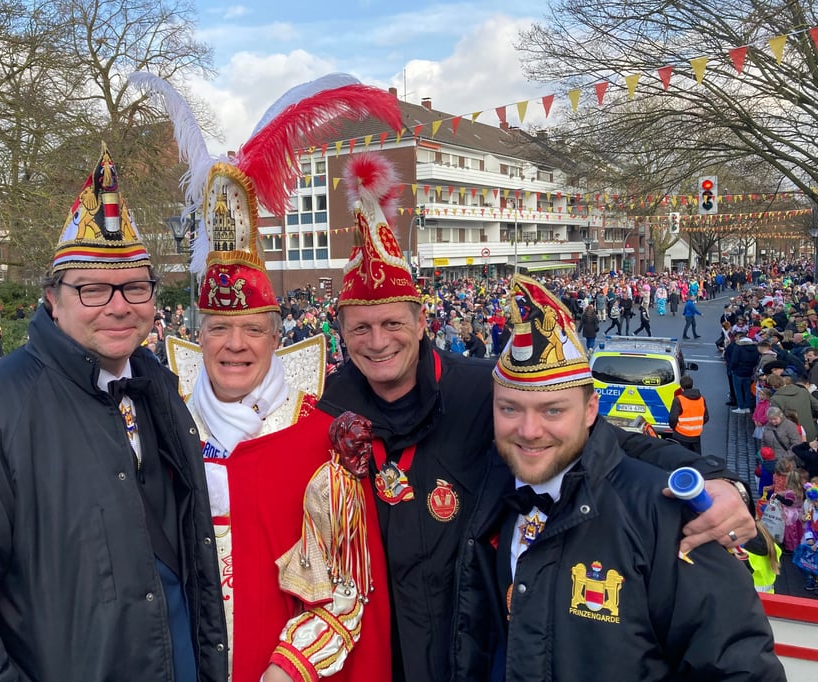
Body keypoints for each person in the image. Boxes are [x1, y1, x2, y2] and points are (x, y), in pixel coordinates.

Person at [316, 158, 755, 681]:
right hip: (371, 654)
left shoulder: (485, 388)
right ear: (339, 328)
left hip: (467, 652)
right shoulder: (322, 407)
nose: (378, 340)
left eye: (392, 321)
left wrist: (719, 480)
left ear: (421, 320)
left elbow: (606, 445)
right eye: (360, 327)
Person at [0, 143, 227, 682]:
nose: (119, 305)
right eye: (91, 288)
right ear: (52, 298)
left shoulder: (157, 390)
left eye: (136, 286)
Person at [137, 71, 401, 682]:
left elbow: (347, 587)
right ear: (193, 337)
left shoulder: (326, 441)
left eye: (253, 328)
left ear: (276, 336)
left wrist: (283, 671)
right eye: (218, 329)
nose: (235, 345)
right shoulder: (162, 431)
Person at [458, 274, 782, 680]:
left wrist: (723, 481)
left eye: (553, 410)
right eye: (510, 409)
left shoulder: (667, 517)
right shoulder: (485, 488)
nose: (529, 430)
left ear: (591, 411)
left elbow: (739, 668)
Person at [668, 375, 709, 454]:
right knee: (695, 459)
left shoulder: (678, 400)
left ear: (681, 387)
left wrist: (675, 428)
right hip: (696, 436)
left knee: (680, 458)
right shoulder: (701, 399)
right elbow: (706, 417)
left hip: (681, 435)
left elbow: (673, 419)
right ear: (692, 385)